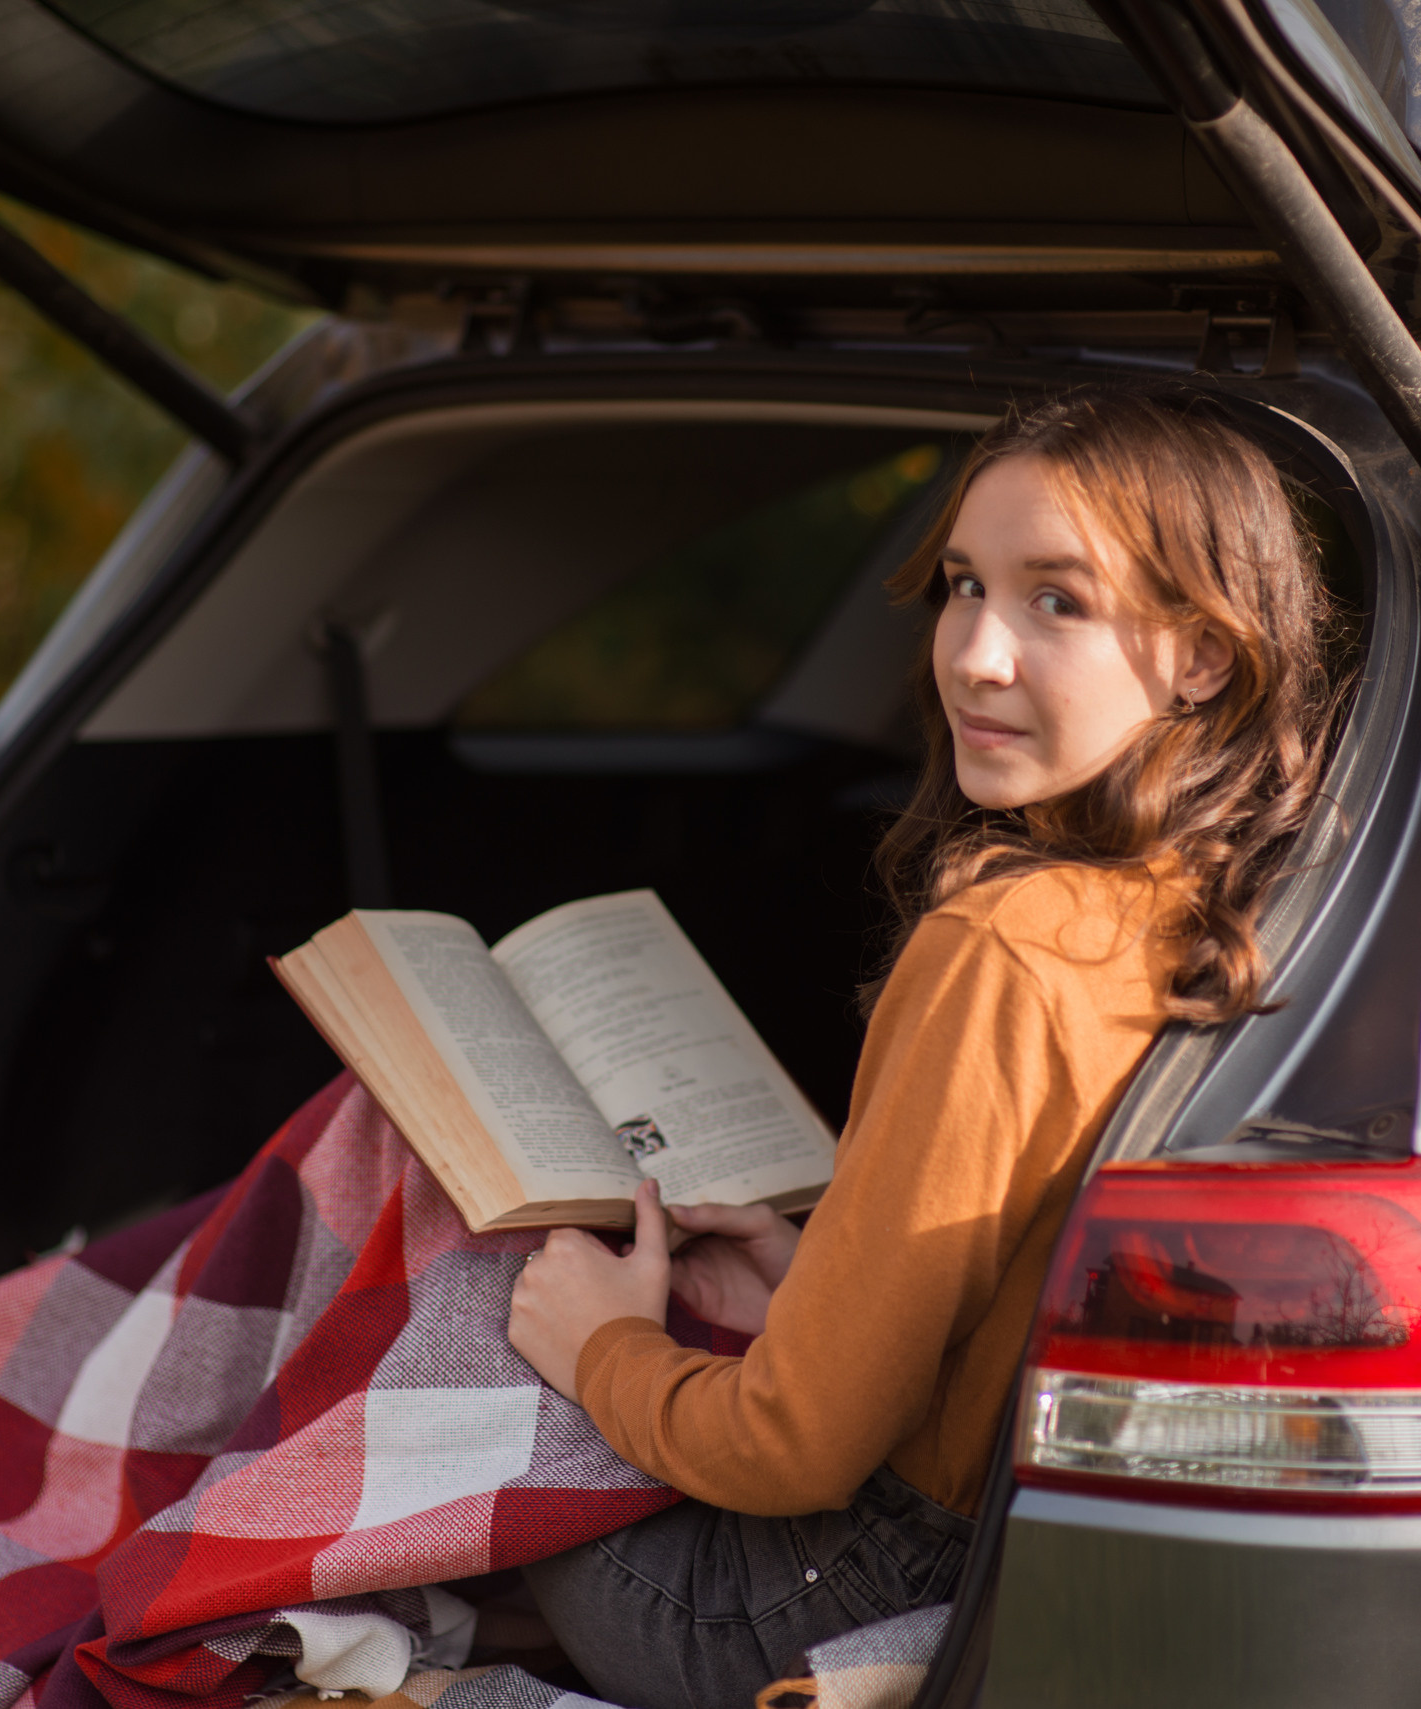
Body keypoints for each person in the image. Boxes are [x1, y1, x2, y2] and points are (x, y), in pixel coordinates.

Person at [504, 384, 1339, 1709]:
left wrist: (603, 1351)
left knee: (455, 1269)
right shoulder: (1230, 904)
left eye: (1055, 601)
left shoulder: (1003, 948)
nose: (975, 655)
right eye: (962, 585)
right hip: (1000, 1547)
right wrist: (820, 1277)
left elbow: (793, 1449)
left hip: (784, 1603)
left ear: (1204, 655)